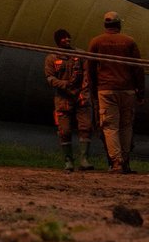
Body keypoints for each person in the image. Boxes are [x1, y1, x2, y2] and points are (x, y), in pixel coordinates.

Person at [87, 11, 144, 174]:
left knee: (110, 127)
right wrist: (141, 92)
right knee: (126, 126)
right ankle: (125, 162)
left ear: (105, 25)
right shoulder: (129, 41)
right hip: (127, 90)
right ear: (119, 25)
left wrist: (93, 92)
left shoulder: (96, 41)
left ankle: (116, 162)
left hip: (106, 90)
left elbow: (90, 69)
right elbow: (137, 69)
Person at [44, 28, 94, 172]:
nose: (67, 40)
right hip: (62, 98)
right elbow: (50, 77)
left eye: (68, 37)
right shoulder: (52, 58)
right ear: (58, 41)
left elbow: (87, 74)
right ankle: (68, 161)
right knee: (64, 130)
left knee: (86, 127)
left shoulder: (80, 54)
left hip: (80, 97)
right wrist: (64, 84)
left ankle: (84, 159)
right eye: (63, 38)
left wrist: (83, 92)